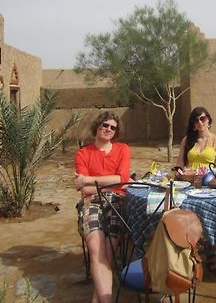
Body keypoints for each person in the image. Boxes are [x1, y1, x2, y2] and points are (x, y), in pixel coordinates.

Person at [74, 111, 130, 303]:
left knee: (109, 248)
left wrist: (88, 180)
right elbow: (83, 190)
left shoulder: (122, 149)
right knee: (96, 248)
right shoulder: (83, 153)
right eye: (105, 125)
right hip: (92, 201)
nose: (108, 129)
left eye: (113, 127)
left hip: (116, 201)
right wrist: (112, 181)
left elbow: (122, 180)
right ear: (97, 126)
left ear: (116, 132)